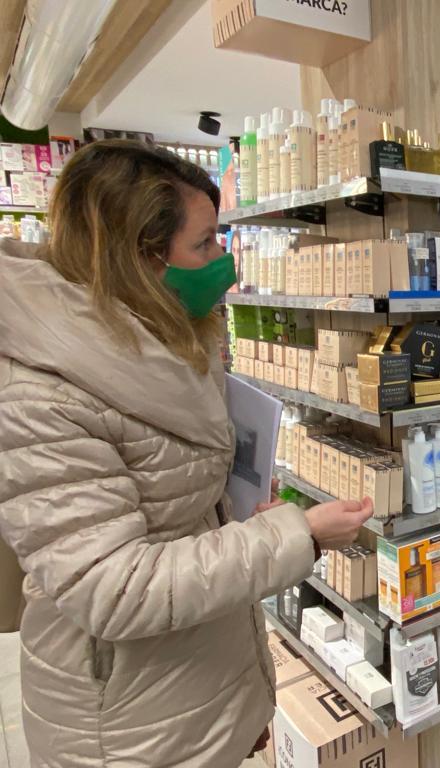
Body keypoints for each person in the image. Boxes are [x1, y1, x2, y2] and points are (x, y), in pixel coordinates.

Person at [0, 140, 374, 767]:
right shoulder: (43, 397)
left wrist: (236, 703)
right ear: (140, 257)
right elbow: (113, 588)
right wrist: (297, 535)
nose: (223, 262)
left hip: (184, 686)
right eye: (204, 244)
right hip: (124, 727)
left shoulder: (157, 335)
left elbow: (170, 506)